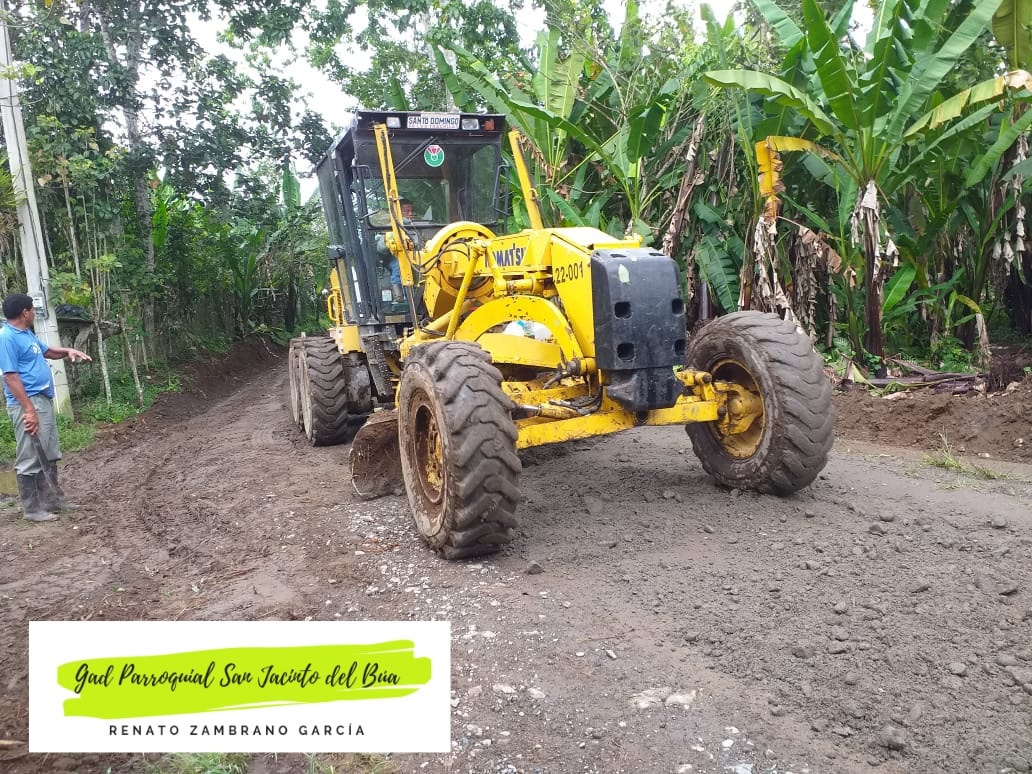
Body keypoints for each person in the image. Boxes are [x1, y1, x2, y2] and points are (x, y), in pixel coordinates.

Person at [0, 293, 91, 522]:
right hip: (28, 403)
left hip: (41, 400)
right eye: (32, 309)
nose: (33, 312)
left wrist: (68, 351)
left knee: (48, 451)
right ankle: (32, 509)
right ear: (25, 312)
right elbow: (10, 377)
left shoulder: (26, 334)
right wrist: (29, 410)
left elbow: (47, 351)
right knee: (30, 454)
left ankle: (51, 500)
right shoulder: (6, 338)